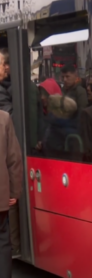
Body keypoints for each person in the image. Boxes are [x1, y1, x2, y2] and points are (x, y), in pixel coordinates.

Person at [0, 109, 23, 278]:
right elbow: (14, 160)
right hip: (1, 198)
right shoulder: (4, 118)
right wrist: (14, 192)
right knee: (2, 243)